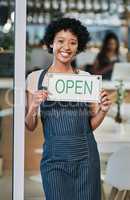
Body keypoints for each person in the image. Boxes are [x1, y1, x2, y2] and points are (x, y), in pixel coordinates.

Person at [25, 18, 111, 200]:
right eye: (61, 41)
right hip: (54, 160)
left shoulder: (86, 79)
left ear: (78, 47)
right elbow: (30, 125)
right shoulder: (36, 79)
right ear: (51, 43)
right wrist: (33, 107)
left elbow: (90, 126)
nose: (67, 47)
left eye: (73, 42)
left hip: (86, 160)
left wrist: (103, 110)